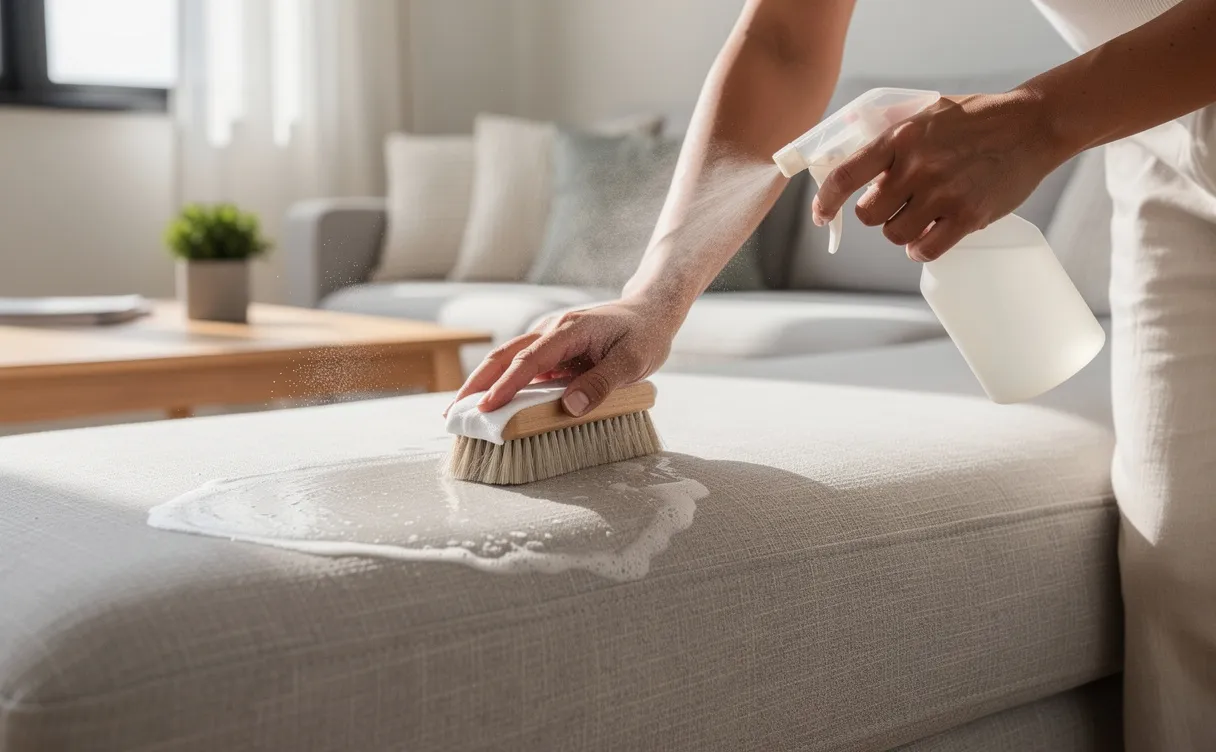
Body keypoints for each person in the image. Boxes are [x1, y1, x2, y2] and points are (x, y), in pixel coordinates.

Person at [450, 1, 1216, 746]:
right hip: (1167, 154)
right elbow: (785, 38)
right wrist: (652, 297)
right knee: (1184, 572)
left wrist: (1038, 117)